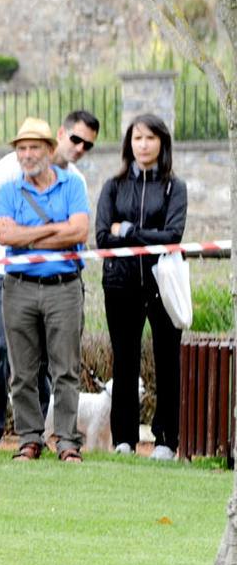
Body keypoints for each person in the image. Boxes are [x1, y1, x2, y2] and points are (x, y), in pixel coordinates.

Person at [0, 109, 99, 451]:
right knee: (22, 371)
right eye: (22, 149)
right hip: (18, 286)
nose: (27, 155)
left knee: (65, 370)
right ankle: (29, 440)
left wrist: (29, 234)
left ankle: (66, 441)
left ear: (48, 148)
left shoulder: (73, 183)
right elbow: (5, 234)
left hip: (63, 286)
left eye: (34, 148)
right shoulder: (9, 187)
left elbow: (79, 229)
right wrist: (54, 230)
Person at [96, 113, 186, 461]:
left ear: (162, 142)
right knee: (125, 361)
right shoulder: (113, 186)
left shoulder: (174, 187)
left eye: (150, 138)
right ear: (128, 144)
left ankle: (166, 439)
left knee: (167, 360)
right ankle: (124, 440)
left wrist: (130, 231)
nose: (143, 144)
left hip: (163, 283)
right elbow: (104, 237)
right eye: (137, 138)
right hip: (120, 284)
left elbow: (173, 236)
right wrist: (132, 234)